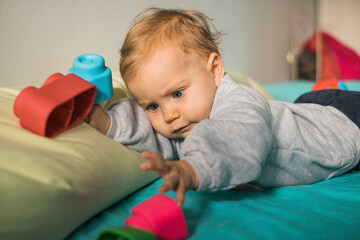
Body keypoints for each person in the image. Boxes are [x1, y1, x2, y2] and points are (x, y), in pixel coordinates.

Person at [86, 7, 360, 207]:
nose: (169, 115)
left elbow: (237, 137)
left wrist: (193, 169)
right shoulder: (181, 123)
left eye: (178, 93)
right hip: (304, 111)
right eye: (153, 106)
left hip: (344, 121)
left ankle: (329, 91)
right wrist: (106, 122)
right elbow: (143, 125)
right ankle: (323, 91)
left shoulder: (239, 102)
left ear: (215, 70)